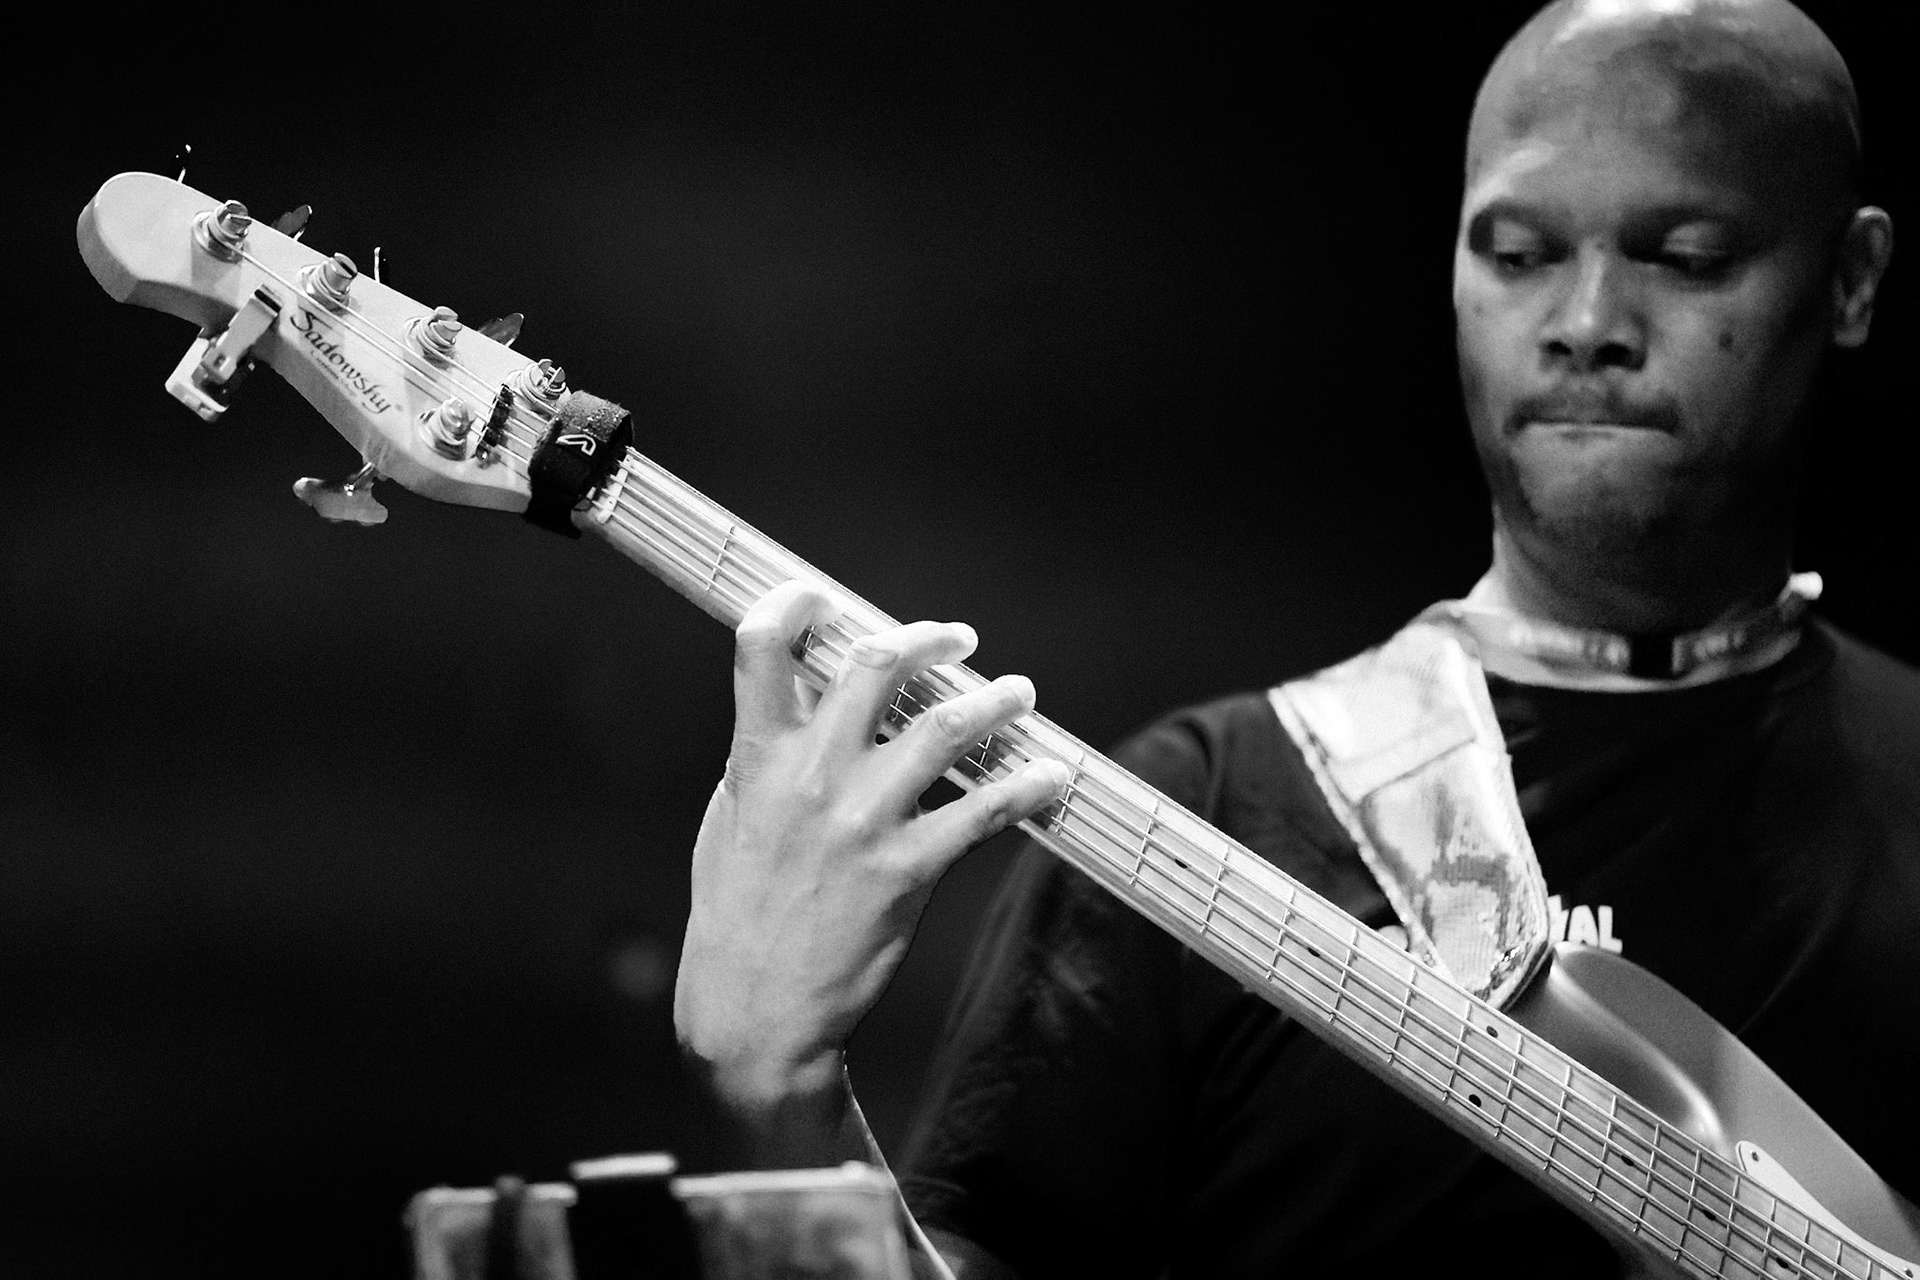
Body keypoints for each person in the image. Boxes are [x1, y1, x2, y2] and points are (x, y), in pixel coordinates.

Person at [672, 0, 1913, 1274]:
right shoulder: (1196, 813)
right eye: (1519, 252)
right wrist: (785, 1095)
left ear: (1854, 277)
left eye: (1687, 255)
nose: (1586, 318)